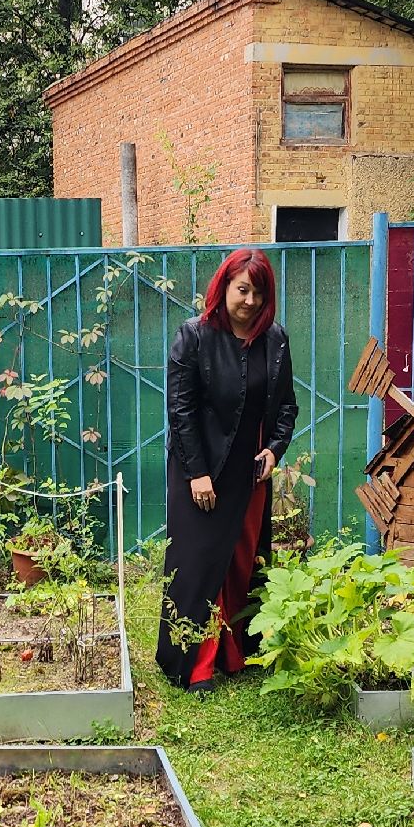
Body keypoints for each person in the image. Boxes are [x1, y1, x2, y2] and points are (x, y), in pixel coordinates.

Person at [156, 248, 299, 692]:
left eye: (259, 292)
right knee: (199, 563)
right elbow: (180, 412)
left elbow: (287, 407)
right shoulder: (193, 337)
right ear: (223, 288)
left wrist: (275, 450)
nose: (250, 300)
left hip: (250, 475)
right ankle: (193, 663)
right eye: (242, 289)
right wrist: (196, 473)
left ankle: (238, 653)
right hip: (199, 471)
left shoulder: (275, 340)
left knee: (242, 561)